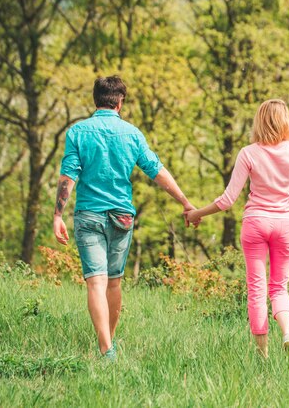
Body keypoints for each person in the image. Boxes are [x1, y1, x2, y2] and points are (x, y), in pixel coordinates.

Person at [185, 99, 289, 361]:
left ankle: (262, 355)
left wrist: (196, 213)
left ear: (259, 121)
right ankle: (288, 335)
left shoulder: (248, 153)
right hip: (285, 225)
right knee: (279, 287)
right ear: (285, 122)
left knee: (256, 289)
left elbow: (226, 201)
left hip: (255, 224)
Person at [53, 76, 195, 360]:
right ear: (120, 102)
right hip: (122, 217)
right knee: (114, 282)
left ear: (96, 100)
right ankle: (109, 345)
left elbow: (69, 175)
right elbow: (156, 171)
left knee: (96, 282)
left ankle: (107, 348)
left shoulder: (78, 132)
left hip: (89, 215)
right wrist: (185, 202)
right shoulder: (132, 133)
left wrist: (58, 214)